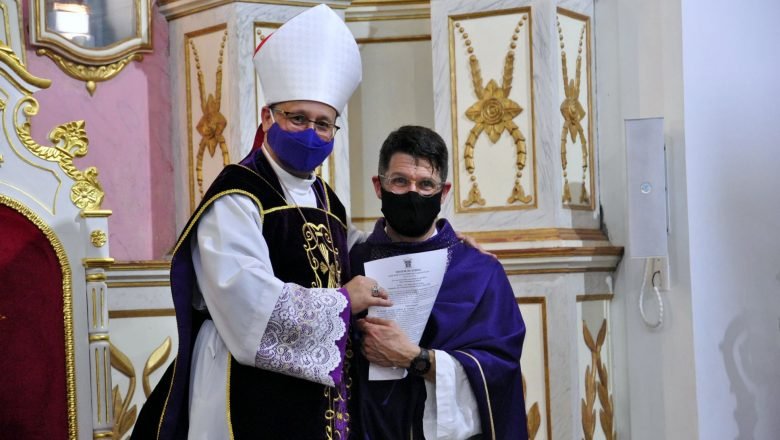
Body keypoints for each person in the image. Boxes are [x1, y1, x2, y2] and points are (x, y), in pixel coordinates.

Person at [132, 5, 392, 439]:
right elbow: (244, 299)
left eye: (324, 124)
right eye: (298, 118)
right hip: (241, 381)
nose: (311, 133)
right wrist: (343, 303)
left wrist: (432, 243)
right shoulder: (237, 193)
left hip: (319, 391)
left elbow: (352, 253)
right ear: (268, 116)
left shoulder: (328, 200)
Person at [349, 125, 529, 440]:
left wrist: (415, 358)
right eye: (400, 181)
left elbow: (500, 369)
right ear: (379, 186)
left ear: (443, 193)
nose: (413, 193)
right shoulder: (350, 264)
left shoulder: (480, 271)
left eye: (426, 184)